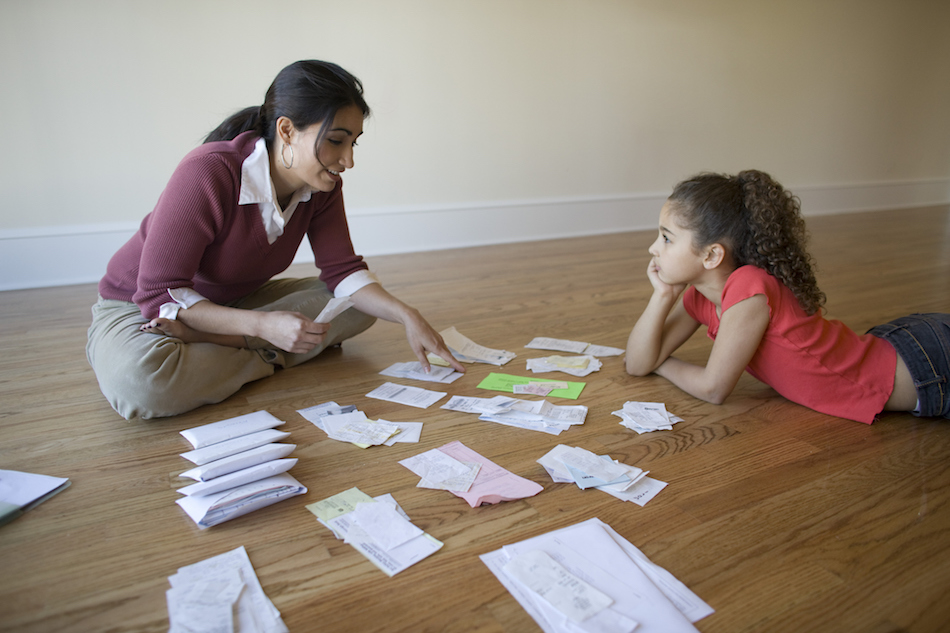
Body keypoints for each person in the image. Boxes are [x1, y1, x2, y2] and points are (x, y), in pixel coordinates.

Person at [87, 60, 464, 420]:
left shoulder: (323, 186)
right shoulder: (208, 171)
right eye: (336, 141)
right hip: (139, 306)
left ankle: (219, 340)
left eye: (354, 144)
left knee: (359, 304)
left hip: (231, 301)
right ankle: (268, 349)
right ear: (286, 130)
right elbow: (161, 294)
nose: (347, 160)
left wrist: (407, 315)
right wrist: (263, 328)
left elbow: (343, 270)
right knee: (142, 383)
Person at [625, 169, 949, 424]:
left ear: (712, 255)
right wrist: (663, 296)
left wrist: (662, 363)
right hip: (901, 350)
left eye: (667, 238)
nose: (653, 248)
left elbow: (713, 389)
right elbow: (637, 364)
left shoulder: (748, 287)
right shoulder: (700, 298)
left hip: (928, 367)